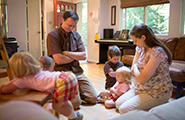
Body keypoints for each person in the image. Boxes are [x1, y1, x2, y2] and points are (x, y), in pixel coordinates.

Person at [0, 52, 83, 120]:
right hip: (67, 76)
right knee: (64, 102)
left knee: (57, 107)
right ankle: (74, 116)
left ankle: (74, 117)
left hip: (61, 82)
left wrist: (2, 88)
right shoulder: (38, 70)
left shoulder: (22, 80)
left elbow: (6, 90)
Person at [115, 23, 173, 114]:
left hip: (156, 92)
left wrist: (136, 67)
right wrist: (140, 70)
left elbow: (141, 78)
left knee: (124, 109)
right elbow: (133, 71)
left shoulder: (157, 52)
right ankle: (151, 108)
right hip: (140, 88)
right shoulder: (140, 48)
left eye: (135, 40)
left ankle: (158, 106)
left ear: (143, 37)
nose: (134, 43)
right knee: (118, 104)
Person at [47, 10, 97, 109]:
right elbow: (59, 60)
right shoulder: (52, 35)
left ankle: (73, 91)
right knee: (75, 105)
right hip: (62, 73)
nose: (70, 28)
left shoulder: (76, 36)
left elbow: (83, 56)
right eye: (68, 25)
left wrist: (66, 53)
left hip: (77, 71)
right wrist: (75, 57)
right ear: (63, 20)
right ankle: (68, 93)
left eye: (73, 26)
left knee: (93, 98)